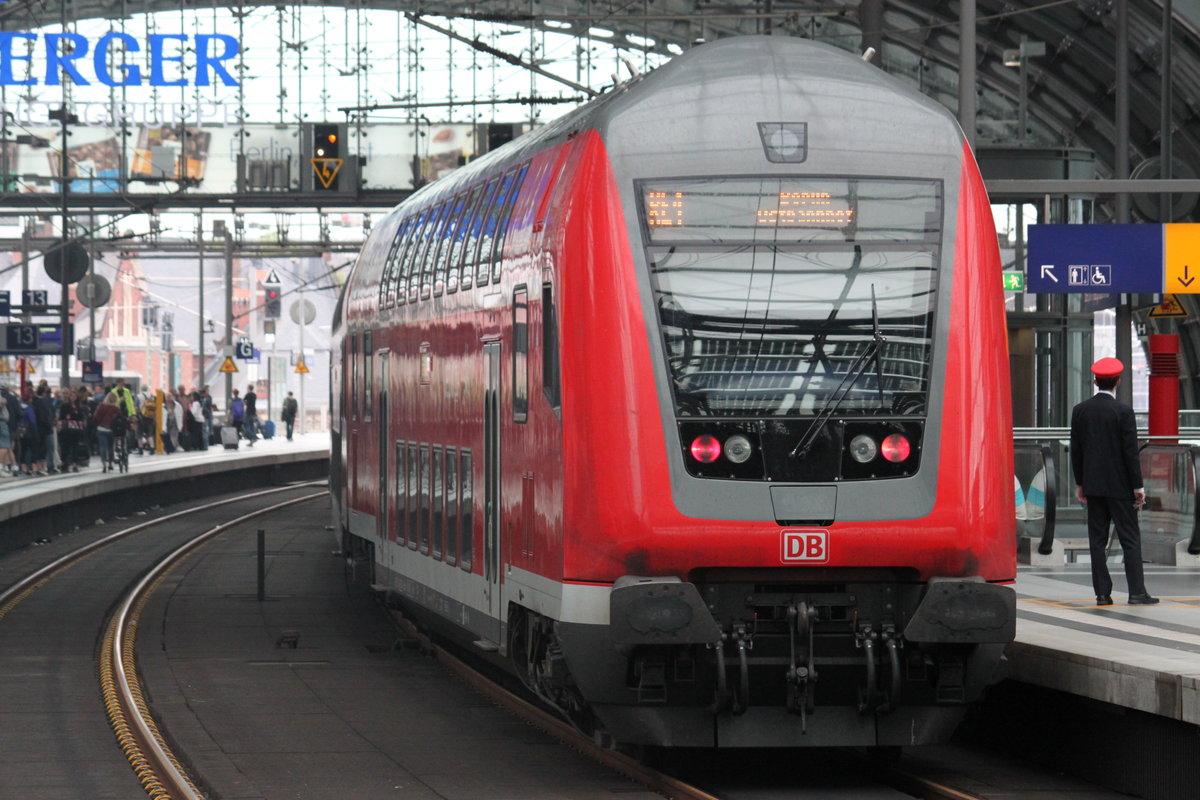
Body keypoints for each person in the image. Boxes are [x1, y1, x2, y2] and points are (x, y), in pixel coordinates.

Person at [1071, 357, 1159, 606]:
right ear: (1118, 381)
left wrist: (1081, 483)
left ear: (1095, 381)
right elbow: (1130, 453)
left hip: (1094, 486)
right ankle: (1136, 592)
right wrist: (1138, 487)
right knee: (1130, 538)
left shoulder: (1080, 410)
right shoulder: (1123, 411)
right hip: (1121, 488)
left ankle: (1102, 594)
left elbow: (1076, 450)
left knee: (1097, 541)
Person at [93, 392, 121, 472]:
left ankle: (104, 465)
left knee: (102, 447)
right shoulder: (116, 409)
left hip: (101, 429)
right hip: (111, 430)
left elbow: (96, 417)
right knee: (110, 447)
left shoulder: (101, 406)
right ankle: (110, 464)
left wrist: (96, 424)